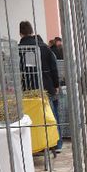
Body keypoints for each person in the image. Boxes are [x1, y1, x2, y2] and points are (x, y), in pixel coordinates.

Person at [19, 21, 63, 153]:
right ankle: (57, 143)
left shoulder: (17, 49)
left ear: (20, 33)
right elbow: (54, 68)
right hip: (46, 86)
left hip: (27, 88)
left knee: (31, 117)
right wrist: (56, 85)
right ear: (32, 31)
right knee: (52, 116)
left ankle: (34, 145)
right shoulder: (44, 47)